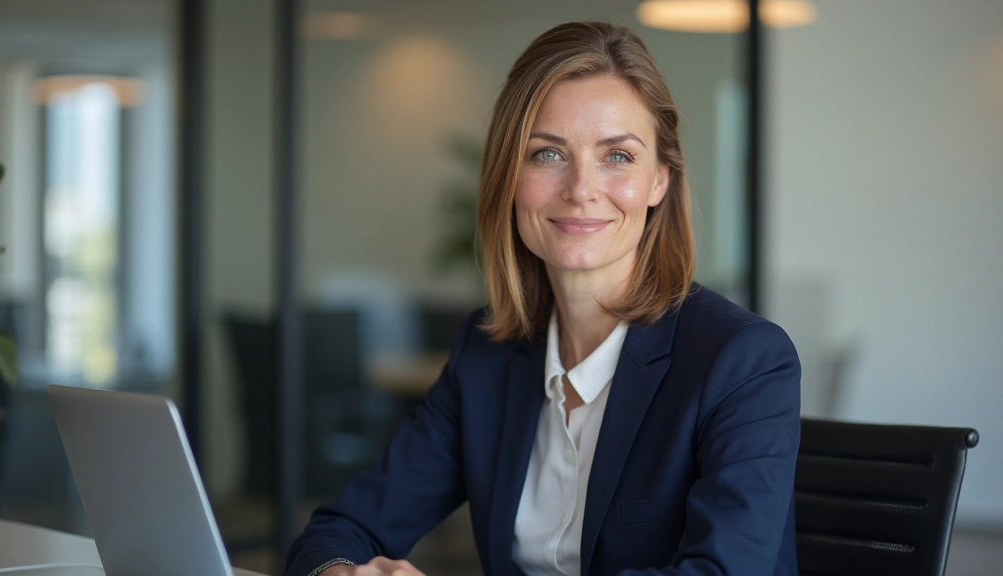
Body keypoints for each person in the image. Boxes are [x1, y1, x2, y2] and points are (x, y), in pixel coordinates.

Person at [286, 21, 800, 576]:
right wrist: (341, 574)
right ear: (509, 175)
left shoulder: (742, 361)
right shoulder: (487, 354)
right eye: (547, 155)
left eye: (619, 156)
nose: (581, 188)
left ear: (660, 181)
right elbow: (341, 530)